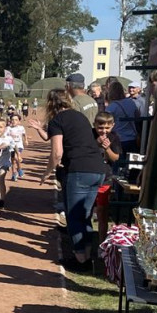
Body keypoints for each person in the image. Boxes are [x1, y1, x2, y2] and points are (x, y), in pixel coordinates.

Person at [41, 89, 109, 269]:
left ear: (51, 104)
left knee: (74, 217)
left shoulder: (57, 121)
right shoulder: (81, 117)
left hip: (79, 170)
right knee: (85, 215)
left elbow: (57, 152)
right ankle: (87, 256)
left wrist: (48, 171)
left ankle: (81, 259)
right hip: (97, 169)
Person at [92, 112, 122, 242]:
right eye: (100, 127)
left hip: (105, 178)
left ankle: (101, 243)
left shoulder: (114, 137)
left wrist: (107, 149)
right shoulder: (89, 135)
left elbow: (115, 158)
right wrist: (95, 144)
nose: (103, 131)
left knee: (102, 213)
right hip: (89, 178)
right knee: (85, 211)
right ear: (95, 125)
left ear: (112, 126)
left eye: (107, 128)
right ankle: (85, 241)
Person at [105, 79, 142, 156]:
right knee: (131, 165)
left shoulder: (111, 107)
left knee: (118, 164)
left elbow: (106, 125)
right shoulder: (131, 102)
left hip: (118, 140)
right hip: (132, 139)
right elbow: (137, 119)